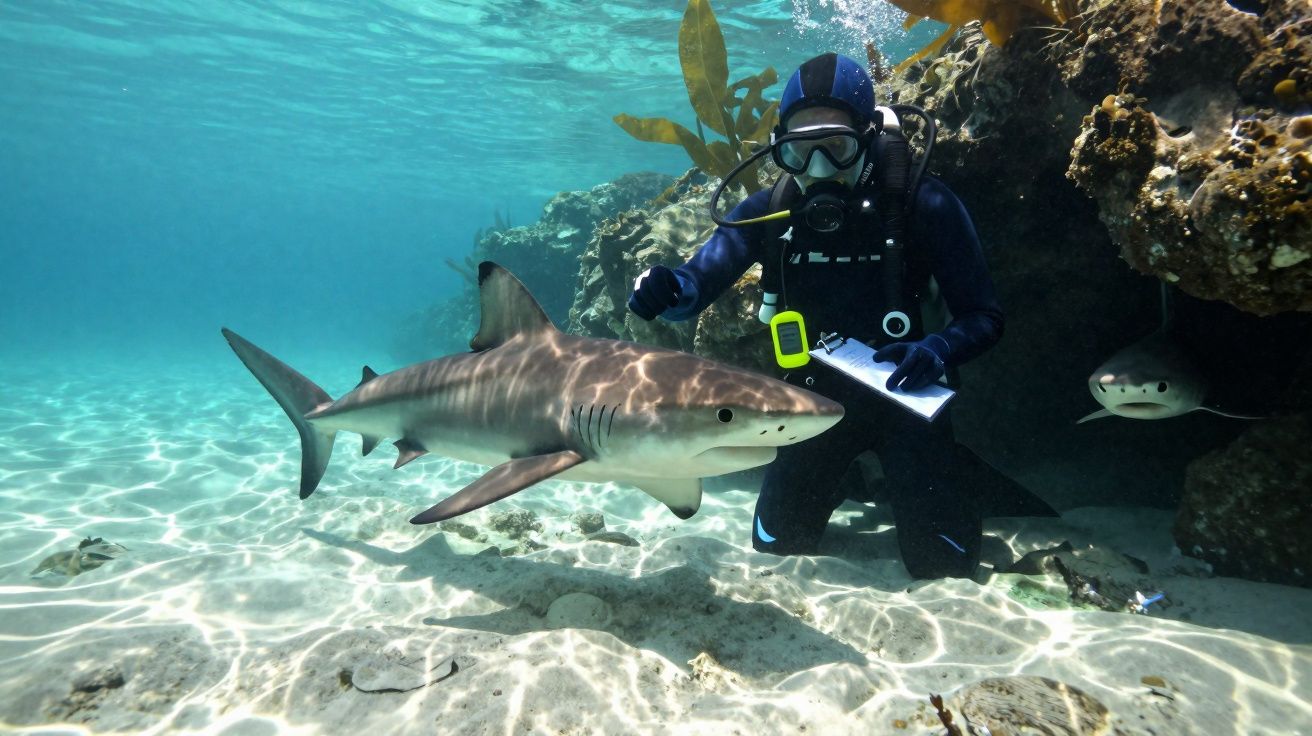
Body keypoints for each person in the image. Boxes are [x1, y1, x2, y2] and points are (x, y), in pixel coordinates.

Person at [627, 52, 1003, 579]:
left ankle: (943, 478)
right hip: (810, 405)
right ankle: (855, 483)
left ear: (869, 139)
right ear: (780, 148)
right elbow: (697, 283)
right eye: (800, 153)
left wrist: (937, 348)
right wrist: (665, 291)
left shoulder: (926, 205)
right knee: (775, 550)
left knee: (944, 567)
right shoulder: (768, 209)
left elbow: (984, 316)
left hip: (911, 400)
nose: (818, 169)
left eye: (838, 148)